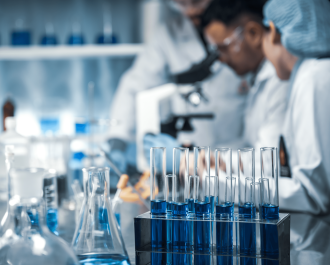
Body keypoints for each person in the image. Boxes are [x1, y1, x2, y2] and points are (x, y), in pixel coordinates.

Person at [109, 0, 247, 147]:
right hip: (191, 145)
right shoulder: (167, 34)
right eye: (181, 3)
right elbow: (136, 84)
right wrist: (118, 139)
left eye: (197, 1)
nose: (190, 11)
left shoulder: (243, 28)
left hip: (238, 148)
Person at [262, 0, 330, 214]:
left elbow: (313, 195)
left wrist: (222, 185)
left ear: (273, 32)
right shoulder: (312, 71)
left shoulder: (313, 76)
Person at [201, 0, 288, 152]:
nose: (221, 59)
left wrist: (196, 161)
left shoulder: (280, 80)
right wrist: (205, 155)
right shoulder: (256, 78)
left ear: (253, 33)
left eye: (224, 48)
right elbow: (250, 145)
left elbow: (268, 160)